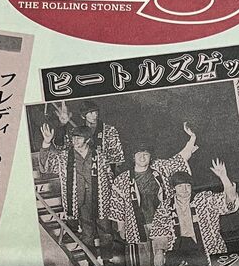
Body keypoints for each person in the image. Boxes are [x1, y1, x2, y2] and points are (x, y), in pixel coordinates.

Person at [110, 122, 199, 249]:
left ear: (150, 156)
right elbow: (118, 206)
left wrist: (192, 138)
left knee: (164, 255)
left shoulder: (160, 168)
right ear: (133, 157)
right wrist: (121, 228)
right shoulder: (122, 179)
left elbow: (180, 158)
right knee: (143, 259)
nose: (142, 157)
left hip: (163, 223)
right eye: (139, 154)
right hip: (137, 226)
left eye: (146, 154)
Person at [54, 99, 124, 231]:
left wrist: (112, 182)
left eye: (96, 112)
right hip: (83, 182)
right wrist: (62, 125)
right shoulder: (77, 132)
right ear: (83, 116)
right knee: (86, 221)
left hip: (103, 182)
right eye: (90, 113)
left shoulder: (109, 130)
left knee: (106, 223)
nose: (94, 115)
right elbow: (61, 146)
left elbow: (116, 159)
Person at [37, 122, 103, 250]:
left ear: (87, 140)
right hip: (78, 200)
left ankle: (106, 259)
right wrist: (46, 143)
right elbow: (46, 166)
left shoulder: (99, 156)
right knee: (88, 234)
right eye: (74, 138)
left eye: (79, 138)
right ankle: (91, 261)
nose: (75, 140)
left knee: (104, 232)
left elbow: (108, 178)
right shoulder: (65, 156)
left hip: (98, 200)